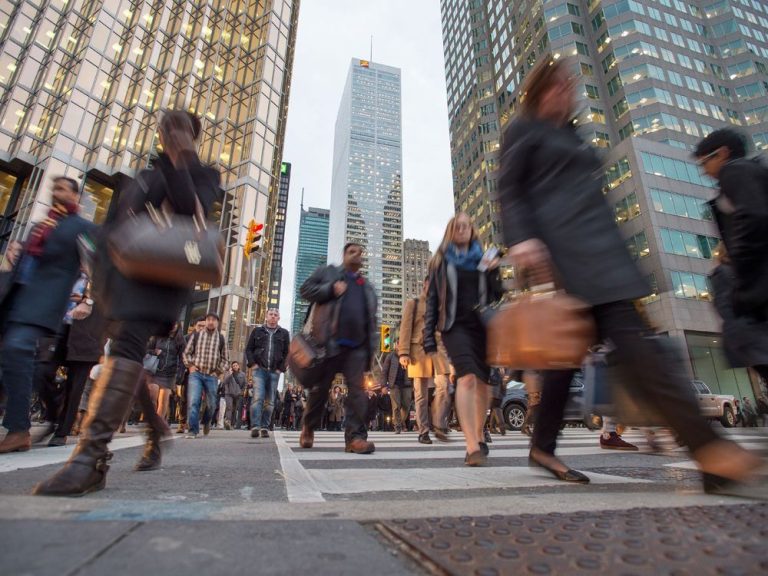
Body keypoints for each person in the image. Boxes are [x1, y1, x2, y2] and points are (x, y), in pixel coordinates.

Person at [497, 57, 762, 491]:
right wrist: (522, 240)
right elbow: (509, 188)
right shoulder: (525, 129)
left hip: (604, 251)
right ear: (540, 89)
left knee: (567, 360)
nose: (568, 92)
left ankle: (543, 445)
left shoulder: (572, 134)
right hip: (567, 255)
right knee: (640, 351)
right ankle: (709, 451)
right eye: (559, 85)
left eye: (571, 85)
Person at [33, 110, 222, 495]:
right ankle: (154, 426)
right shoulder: (144, 176)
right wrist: (95, 290)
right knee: (125, 360)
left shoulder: (204, 174)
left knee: (125, 353)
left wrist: (179, 159)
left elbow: (191, 215)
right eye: (169, 129)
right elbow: (112, 230)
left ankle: (90, 459)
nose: (172, 134)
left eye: (182, 130)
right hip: (117, 285)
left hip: (158, 284)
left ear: (193, 136)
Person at [0, 176, 96, 454]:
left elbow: (96, 264)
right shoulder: (40, 227)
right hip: (17, 300)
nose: (57, 193)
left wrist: (88, 300)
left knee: (18, 351)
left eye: (63, 189)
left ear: (76, 196)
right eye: (54, 188)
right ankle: (51, 413)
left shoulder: (82, 228)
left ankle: (19, 430)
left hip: (45, 305)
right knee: (17, 362)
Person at [423, 213, 502, 466]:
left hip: (482, 326)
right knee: (467, 379)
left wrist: (493, 272)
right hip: (454, 327)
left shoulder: (484, 257)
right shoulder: (440, 261)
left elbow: (496, 294)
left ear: (472, 229)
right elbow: (433, 301)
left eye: (467, 225)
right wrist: (428, 338)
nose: (462, 229)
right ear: (450, 230)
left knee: (483, 384)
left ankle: (479, 434)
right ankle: (471, 445)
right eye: (457, 226)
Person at [298, 243, 378, 454]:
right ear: (344, 254)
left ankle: (355, 438)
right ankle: (308, 426)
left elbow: (372, 322)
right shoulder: (329, 273)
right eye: (352, 252)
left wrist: (370, 352)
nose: (357, 255)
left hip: (357, 349)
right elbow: (305, 289)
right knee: (320, 390)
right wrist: (330, 290)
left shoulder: (367, 287)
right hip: (329, 343)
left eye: (360, 253)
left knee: (357, 393)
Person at [694, 129, 768, 326]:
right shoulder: (755, 171)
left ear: (723, 153)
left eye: (704, 162)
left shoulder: (734, 170)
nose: (704, 170)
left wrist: (739, 266)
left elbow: (754, 216)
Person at [399, 277, 453, 443]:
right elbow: (405, 328)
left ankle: (438, 423)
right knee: (421, 394)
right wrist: (403, 353)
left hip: (438, 350)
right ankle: (423, 431)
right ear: (425, 284)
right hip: (418, 351)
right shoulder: (413, 303)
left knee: (444, 386)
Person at [183, 312, 229, 439]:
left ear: (217, 323)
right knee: (194, 401)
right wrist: (190, 366)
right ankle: (193, 430)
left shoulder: (221, 338)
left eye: (214, 320)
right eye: (209, 319)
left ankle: (206, 421)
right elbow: (186, 353)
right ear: (206, 321)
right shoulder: (197, 335)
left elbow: (226, 359)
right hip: (196, 374)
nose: (210, 322)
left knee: (212, 404)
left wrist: (218, 371)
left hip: (212, 376)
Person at [245, 308, 290, 439]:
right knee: (258, 397)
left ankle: (265, 427)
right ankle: (255, 426)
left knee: (270, 401)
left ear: (279, 318)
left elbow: (288, 353)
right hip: (259, 370)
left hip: (274, 371)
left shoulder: (284, 333)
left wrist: (280, 368)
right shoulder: (257, 331)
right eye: (271, 314)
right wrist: (253, 364)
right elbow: (249, 349)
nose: (273, 317)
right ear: (266, 316)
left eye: (275, 315)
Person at [145, 323, 185, 423]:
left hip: (169, 374)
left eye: (175, 323)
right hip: (154, 371)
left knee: (163, 401)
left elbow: (182, 359)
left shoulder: (180, 340)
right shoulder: (157, 336)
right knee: (152, 398)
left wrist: (179, 375)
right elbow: (146, 349)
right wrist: (154, 352)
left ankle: (158, 424)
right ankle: (152, 420)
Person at [380, 351, 412, 435]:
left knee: (406, 405)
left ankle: (400, 421)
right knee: (396, 406)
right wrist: (383, 385)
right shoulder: (390, 356)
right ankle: (397, 426)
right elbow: (384, 371)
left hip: (407, 384)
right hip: (394, 384)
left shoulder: (409, 354)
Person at [221, 361, 246, 429]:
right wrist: (230, 374)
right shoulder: (228, 373)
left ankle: (231, 424)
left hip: (237, 394)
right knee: (229, 407)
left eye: (236, 365)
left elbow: (244, 384)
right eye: (233, 365)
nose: (235, 366)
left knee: (234, 409)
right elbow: (224, 382)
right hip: (229, 393)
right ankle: (228, 421)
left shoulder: (242, 374)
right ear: (232, 367)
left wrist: (242, 392)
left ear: (238, 366)